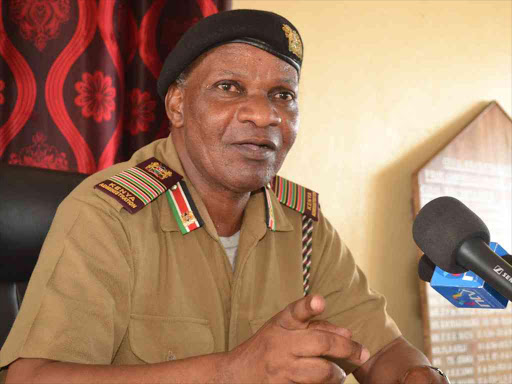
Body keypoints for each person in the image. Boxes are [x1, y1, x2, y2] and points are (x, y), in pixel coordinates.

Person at [0, 9, 450, 384]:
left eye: (282, 95)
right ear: (177, 105)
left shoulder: (303, 225)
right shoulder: (109, 213)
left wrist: (420, 377)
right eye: (229, 88)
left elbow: (383, 350)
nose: (264, 114)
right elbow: (31, 378)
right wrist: (232, 371)